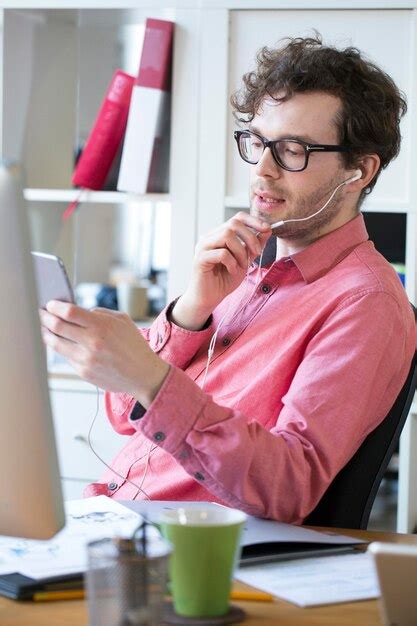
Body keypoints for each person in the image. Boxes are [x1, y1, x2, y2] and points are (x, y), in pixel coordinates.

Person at [40, 35, 415, 523]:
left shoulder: (366, 303)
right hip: (117, 520)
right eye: (258, 142)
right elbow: (123, 414)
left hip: (192, 554)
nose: (261, 169)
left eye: (293, 150)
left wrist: (153, 378)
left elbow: (288, 487)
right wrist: (189, 311)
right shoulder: (242, 275)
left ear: (358, 172)